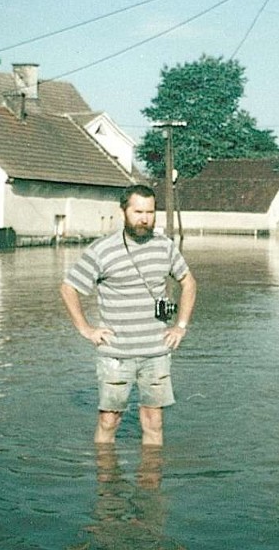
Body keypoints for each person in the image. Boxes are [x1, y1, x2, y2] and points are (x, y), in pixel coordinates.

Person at [60, 184, 197, 446]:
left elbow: (189, 283)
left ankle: (151, 483)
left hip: (155, 351)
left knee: (153, 422)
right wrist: (86, 329)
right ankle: (106, 483)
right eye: (138, 211)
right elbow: (68, 288)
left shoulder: (165, 247)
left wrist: (180, 326)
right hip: (115, 354)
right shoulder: (102, 249)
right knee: (109, 421)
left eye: (150, 211)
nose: (145, 218)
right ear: (123, 211)